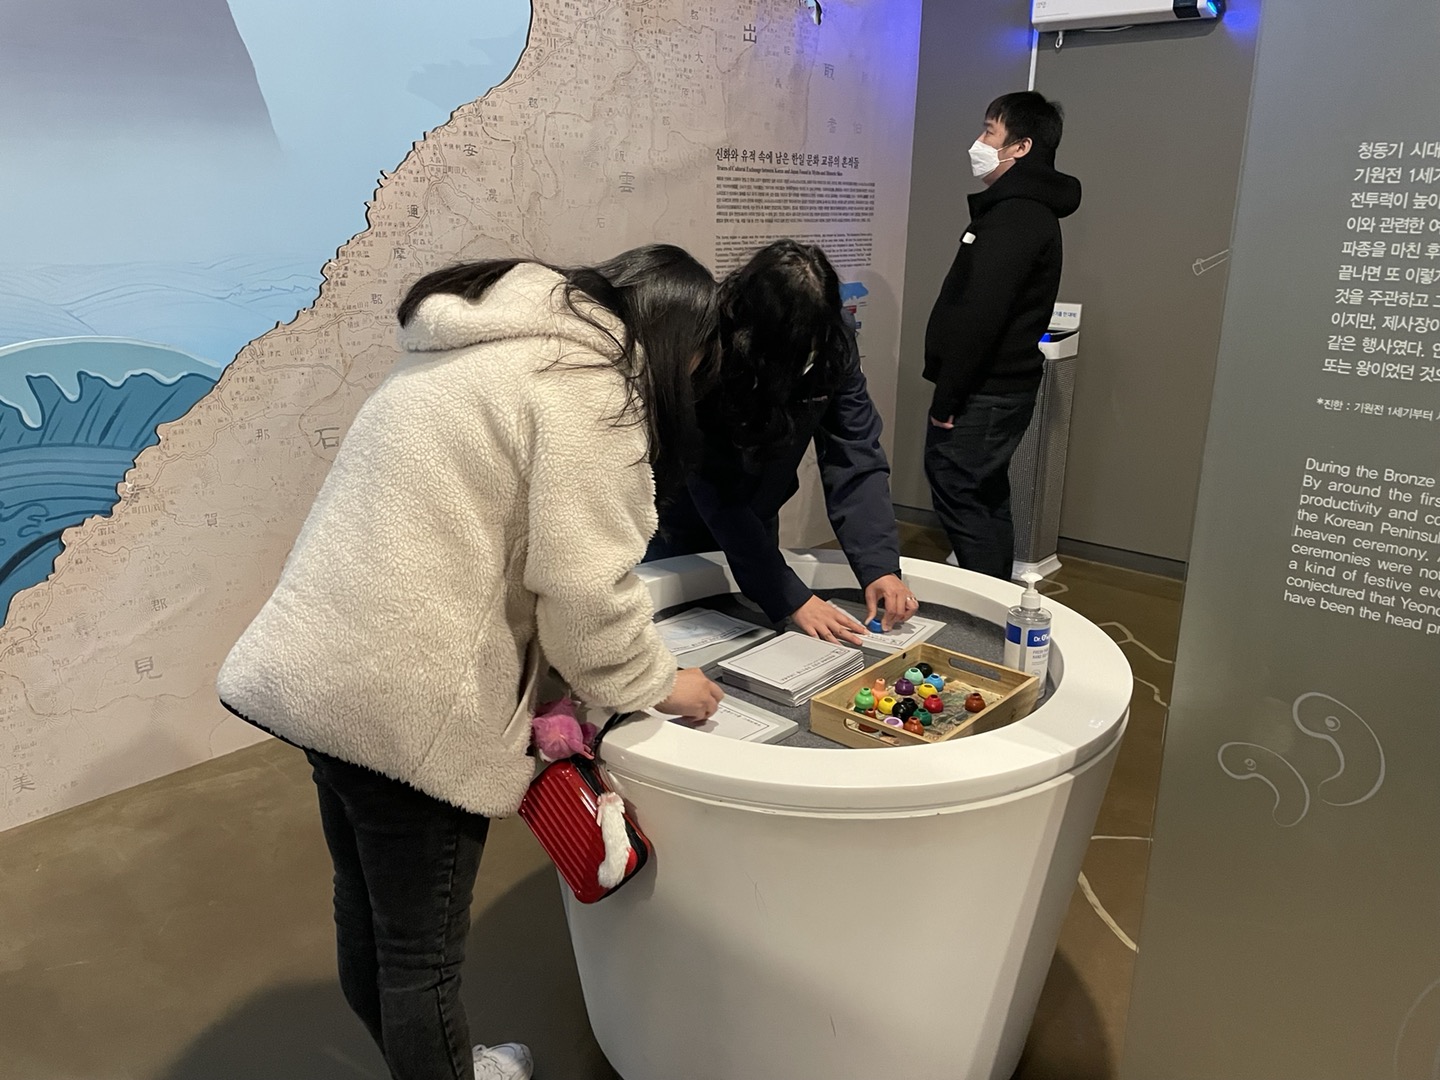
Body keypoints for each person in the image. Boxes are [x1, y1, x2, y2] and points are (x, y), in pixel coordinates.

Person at [215, 245, 726, 1080]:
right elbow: (586, 596)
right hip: (409, 701)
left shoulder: (470, 348)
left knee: (370, 916)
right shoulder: (588, 387)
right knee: (421, 962)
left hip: (317, 671)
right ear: (681, 343)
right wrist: (665, 684)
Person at [646, 239, 915, 644]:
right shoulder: (707, 345)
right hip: (678, 518)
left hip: (757, 513)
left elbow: (855, 453)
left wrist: (880, 565)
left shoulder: (833, 341)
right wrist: (789, 595)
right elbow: (712, 482)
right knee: (675, 638)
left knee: (755, 634)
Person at [923, 91, 1081, 579]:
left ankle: (985, 604)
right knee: (985, 493)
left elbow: (980, 316)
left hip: (984, 392)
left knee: (959, 488)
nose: (979, 142)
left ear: (1020, 147)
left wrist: (947, 399)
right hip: (999, 389)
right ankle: (998, 600)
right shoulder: (1021, 212)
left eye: (990, 131)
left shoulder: (1015, 216)